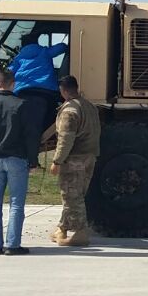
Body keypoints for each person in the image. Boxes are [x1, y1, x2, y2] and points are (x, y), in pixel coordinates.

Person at [0, 69, 36, 255]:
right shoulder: (22, 105)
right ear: (13, 83)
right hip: (16, 159)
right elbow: (30, 136)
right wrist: (33, 160)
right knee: (16, 203)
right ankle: (12, 244)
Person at [49, 75, 102, 246]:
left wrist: (57, 161)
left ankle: (80, 233)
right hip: (90, 157)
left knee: (71, 196)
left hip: (74, 159)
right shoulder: (90, 107)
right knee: (76, 195)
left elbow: (66, 138)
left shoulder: (69, 111)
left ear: (63, 90)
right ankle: (62, 228)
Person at [7, 38, 68, 163]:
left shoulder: (19, 57)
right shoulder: (44, 51)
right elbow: (61, 47)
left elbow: (9, 72)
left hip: (23, 94)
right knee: (41, 125)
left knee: (25, 128)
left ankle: (25, 157)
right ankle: (32, 159)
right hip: (46, 94)